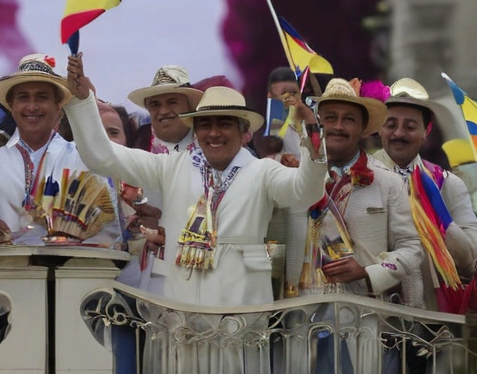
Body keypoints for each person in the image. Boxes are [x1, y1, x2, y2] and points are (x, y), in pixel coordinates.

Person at [65, 54, 327, 306]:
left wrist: (313, 142)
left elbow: (305, 192)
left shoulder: (263, 172)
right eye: (205, 124)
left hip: (242, 314)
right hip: (184, 314)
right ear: (195, 129)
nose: (213, 133)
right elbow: (103, 157)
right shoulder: (171, 166)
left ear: (243, 131)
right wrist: (83, 101)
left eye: (224, 124)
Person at [281, 78, 422, 303]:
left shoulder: (388, 182)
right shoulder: (293, 177)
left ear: (362, 128)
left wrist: (370, 271)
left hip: (365, 314)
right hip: (302, 310)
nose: (338, 126)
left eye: (348, 119)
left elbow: (412, 248)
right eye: (330, 118)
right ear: (319, 123)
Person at [0, 54, 120, 248]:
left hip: (74, 273)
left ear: (58, 106)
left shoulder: (84, 161)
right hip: (4, 273)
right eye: (23, 97)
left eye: (42, 97)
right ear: (11, 106)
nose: (32, 106)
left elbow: (110, 234)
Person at [372, 77, 477, 311]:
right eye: (391, 124)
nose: (399, 133)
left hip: (434, 321)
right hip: (372, 316)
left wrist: (440, 217)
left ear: (426, 131)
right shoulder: (361, 178)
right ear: (380, 127)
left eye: (410, 127)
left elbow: (469, 261)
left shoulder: (447, 184)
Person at [118, 66, 205, 293]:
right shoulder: (137, 150)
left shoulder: (212, 150)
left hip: (203, 269)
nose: (163, 110)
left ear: (190, 107)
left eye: (172, 102)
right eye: (155, 104)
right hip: (149, 274)